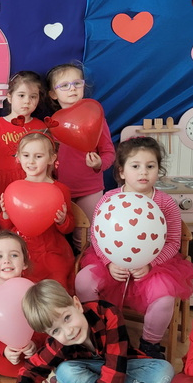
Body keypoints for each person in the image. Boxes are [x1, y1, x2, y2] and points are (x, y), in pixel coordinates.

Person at [0, 280, 184, 383]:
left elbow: (115, 368)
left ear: (76, 304)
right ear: (50, 334)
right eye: (56, 330)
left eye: (67, 318)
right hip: (92, 372)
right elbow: (31, 370)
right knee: (65, 372)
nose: (69, 331)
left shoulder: (108, 314)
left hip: (121, 365)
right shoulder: (59, 343)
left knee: (164, 372)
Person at [74, 136, 193, 359]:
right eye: (135, 166)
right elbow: (97, 236)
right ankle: (97, 330)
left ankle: (149, 344)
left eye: (150, 166)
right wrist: (108, 263)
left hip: (153, 267)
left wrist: (151, 264)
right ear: (121, 171)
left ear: (159, 170)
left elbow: (173, 241)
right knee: (83, 281)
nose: (143, 172)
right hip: (111, 264)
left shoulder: (165, 203)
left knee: (164, 297)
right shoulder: (109, 199)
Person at [45, 62, 115, 250]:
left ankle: (87, 266)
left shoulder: (96, 117)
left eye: (77, 83)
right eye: (64, 85)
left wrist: (99, 163)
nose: (72, 89)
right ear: (53, 94)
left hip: (89, 189)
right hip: (59, 190)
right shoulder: (52, 124)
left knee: (88, 238)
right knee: (58, 235)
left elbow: (109, 152)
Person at [0, 132, 75, 291]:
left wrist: (62, 221)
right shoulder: (14, 189)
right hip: (21, 247)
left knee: (56, 281)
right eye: (26, 155)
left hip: (51, 249)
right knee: (18, 282)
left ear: (51, 158)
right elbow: (7, 227)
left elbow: (69, 227)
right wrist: (5, 214)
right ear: (18, 157)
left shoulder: (60, 190)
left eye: (38, 156)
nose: (31, 161)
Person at [0, 71, 46, 233]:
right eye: (21, 95)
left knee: (29, 223)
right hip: (2, 185)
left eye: (33, 96)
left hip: (33, 182)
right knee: (3, 224)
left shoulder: (41, 127)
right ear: (9, 97)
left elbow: (48, 159)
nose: (27, 101)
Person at [0, 231, 45, 381]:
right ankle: (36, 373)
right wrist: (3, 348)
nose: (6, 261)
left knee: (57, 344)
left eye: (14, 255)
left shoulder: (32, 288)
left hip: (30, 348)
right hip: (5, 349)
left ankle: (7, 370)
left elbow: (44, 322)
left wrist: (34, 343)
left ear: (24, 262)